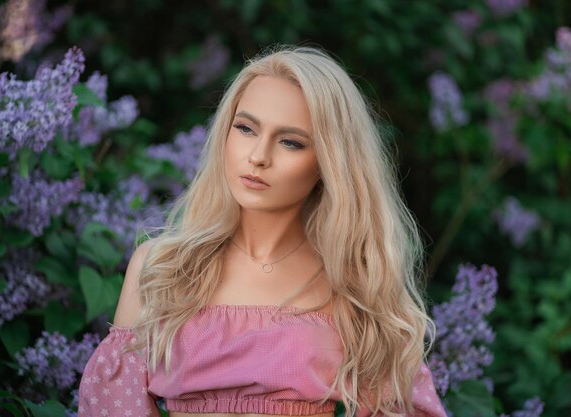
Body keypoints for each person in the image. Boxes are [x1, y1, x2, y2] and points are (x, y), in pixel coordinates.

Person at [78, 45, 447, 417]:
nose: (258, 156)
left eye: (291, 142)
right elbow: (113, 407)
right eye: (245, 128)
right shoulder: (162, 268)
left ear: (329, 162)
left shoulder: (353, 284)